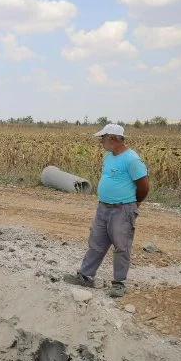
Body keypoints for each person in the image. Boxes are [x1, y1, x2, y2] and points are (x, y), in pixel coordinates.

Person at [64, 123, 150, 298]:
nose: (100, 142)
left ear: (112, 138)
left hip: (122, 209)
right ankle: (85, 277)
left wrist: (135, 203)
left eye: (102, 138)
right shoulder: (109, 156)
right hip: (103, 207)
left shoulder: (132, 160)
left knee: (121, 246)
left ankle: (119, 283)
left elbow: (144, 186)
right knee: (96, 242)